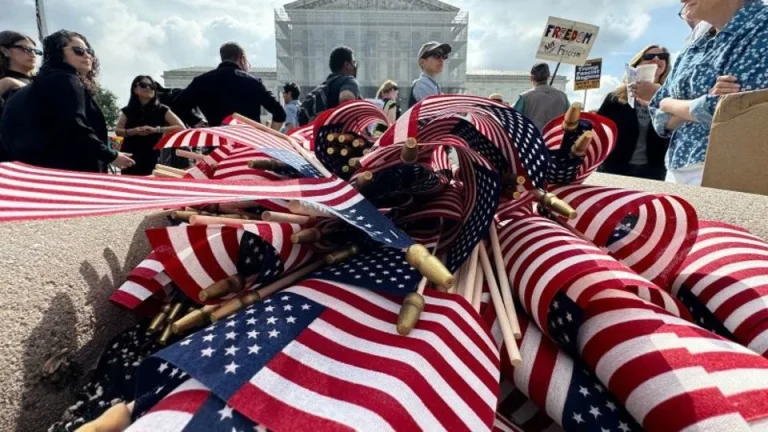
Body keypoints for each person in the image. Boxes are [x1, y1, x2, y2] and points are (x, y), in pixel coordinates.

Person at [650, 0, 768, 186]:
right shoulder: (695, 45)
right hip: (676, 170)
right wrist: (676, 104)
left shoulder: (763, 27)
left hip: (736, 173)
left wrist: (671, 104)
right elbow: (657, 113)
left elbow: (738, 109)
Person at [0, 30, 134, 172]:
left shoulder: (46, 81)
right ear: (59, 53)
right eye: (78, 50)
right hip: (63, 170)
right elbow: (73, 125)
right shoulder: (64, 79)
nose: (87, 56)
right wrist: (110, 155)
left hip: (32, 169)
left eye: (89, 51)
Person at [598, 46, 672, 181]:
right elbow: (600, 131)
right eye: (649, 57)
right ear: (637, 64)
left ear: (666, 66)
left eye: (663, 57)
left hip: (653, 170)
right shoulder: (615, 97)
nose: (656, 59)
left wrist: (661, 97)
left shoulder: (670, 98)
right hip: (614, 167)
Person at [173, 42, 286, 129]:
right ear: (242, 58)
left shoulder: (201, 81)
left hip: (217, 144)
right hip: (247, 145)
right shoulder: (253, 82)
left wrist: (196, 121)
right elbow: (280, 113)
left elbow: (177, 106)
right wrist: (270, 137)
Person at [114, 76, 185, 175]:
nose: (148, 88)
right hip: (130, 154)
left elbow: (181, 127)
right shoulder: (128, 110)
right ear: (135, 89)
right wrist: (134, 131)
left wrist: (156, 130)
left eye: (152, 86)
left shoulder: (162, 109)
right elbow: (118, 130)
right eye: (143, 85)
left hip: (153, 155)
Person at [0, 31, 39, 161]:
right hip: (10, 157)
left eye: (35, 51)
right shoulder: (4, 82)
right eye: (26, 49)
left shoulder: (41, 82)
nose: (32, 54)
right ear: (5, 51)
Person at [514, 62, 569, 131]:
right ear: (548, 77)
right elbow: (569, 119)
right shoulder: (563, 96)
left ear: (531, 78)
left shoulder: (524, 97)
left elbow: (514, 119)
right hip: (555, 139)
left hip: (533, 138)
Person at [409, 41, 451, 107]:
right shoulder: (422, 84)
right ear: (422, 62)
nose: (441, 59)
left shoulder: (433, 86)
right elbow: (439, 112)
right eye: (437, 55)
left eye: (444, 56)